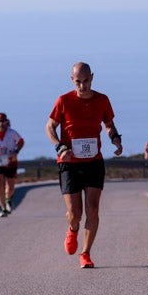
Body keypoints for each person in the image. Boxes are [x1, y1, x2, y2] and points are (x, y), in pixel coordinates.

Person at [46, 61, 124, 268]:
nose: (82, 86)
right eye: (78, 82)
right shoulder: (63, 101)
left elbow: (108, 124)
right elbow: (50, 127)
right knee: (75, 214)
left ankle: (86, 253)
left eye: (86, 81)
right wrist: (59, 147)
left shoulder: (102, 100)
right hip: (69, 162)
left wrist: (115, 139)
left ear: (92, 78)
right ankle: (72, 230)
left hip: (94, 162)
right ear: (72, 80)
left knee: (93, 209)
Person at [0, 112, 24, 217]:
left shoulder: (12, 133)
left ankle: (8, 200)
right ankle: (3, 208)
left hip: (10, 161)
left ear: (6, 121)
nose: (1, 123)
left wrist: (16, 151)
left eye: (2, 121)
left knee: (10, 186)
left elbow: (21, 142)